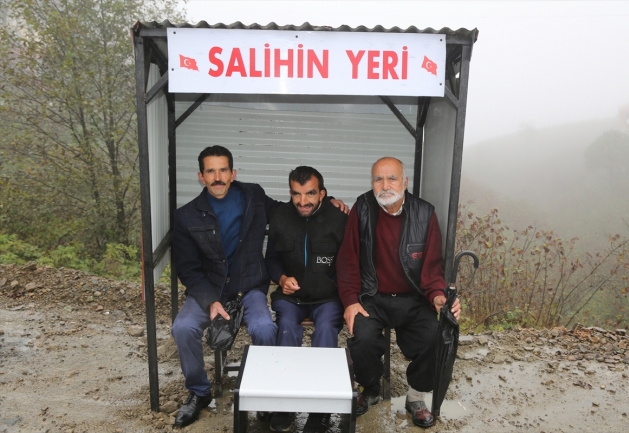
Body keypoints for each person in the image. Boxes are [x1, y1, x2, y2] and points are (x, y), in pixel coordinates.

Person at [171, 146, 348, 428]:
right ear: (201, 176)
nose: (217, 177)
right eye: (210, 171)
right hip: (209, 290)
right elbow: (188, 269)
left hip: (249, 287)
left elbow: (292, 207)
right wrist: (209, 301)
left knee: (265, 328)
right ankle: (198, 391)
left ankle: (270, 394)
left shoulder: (252, 196)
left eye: (223, 170)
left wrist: (330, 202)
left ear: (233, 173)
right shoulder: (187, 217)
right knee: (182, 327)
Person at [336, 157, 461, 429]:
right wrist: (350, 301)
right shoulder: (363, 209)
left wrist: (438, 297)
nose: (385, 185)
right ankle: (369, 389)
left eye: (391, 178)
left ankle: (415, 397)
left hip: (413, 298)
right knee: (363, 339)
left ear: (405, 182)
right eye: (378, 179)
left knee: (433, 337)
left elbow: (431, 269)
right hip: (372, 297)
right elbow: (348, 261)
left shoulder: (425, 214)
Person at [264, 166, 348, 433]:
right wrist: (281, 278)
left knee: (325, 331)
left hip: (328, 299)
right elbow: (272, 259)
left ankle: (320, 410)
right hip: (291, 299)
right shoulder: (279, 216)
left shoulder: (339, 219)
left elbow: (348, 264)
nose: (302, 201)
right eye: (296, 194)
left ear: (322, 193)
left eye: (310, 194)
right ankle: (284, 404)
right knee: (286, 329)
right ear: (290, 193)